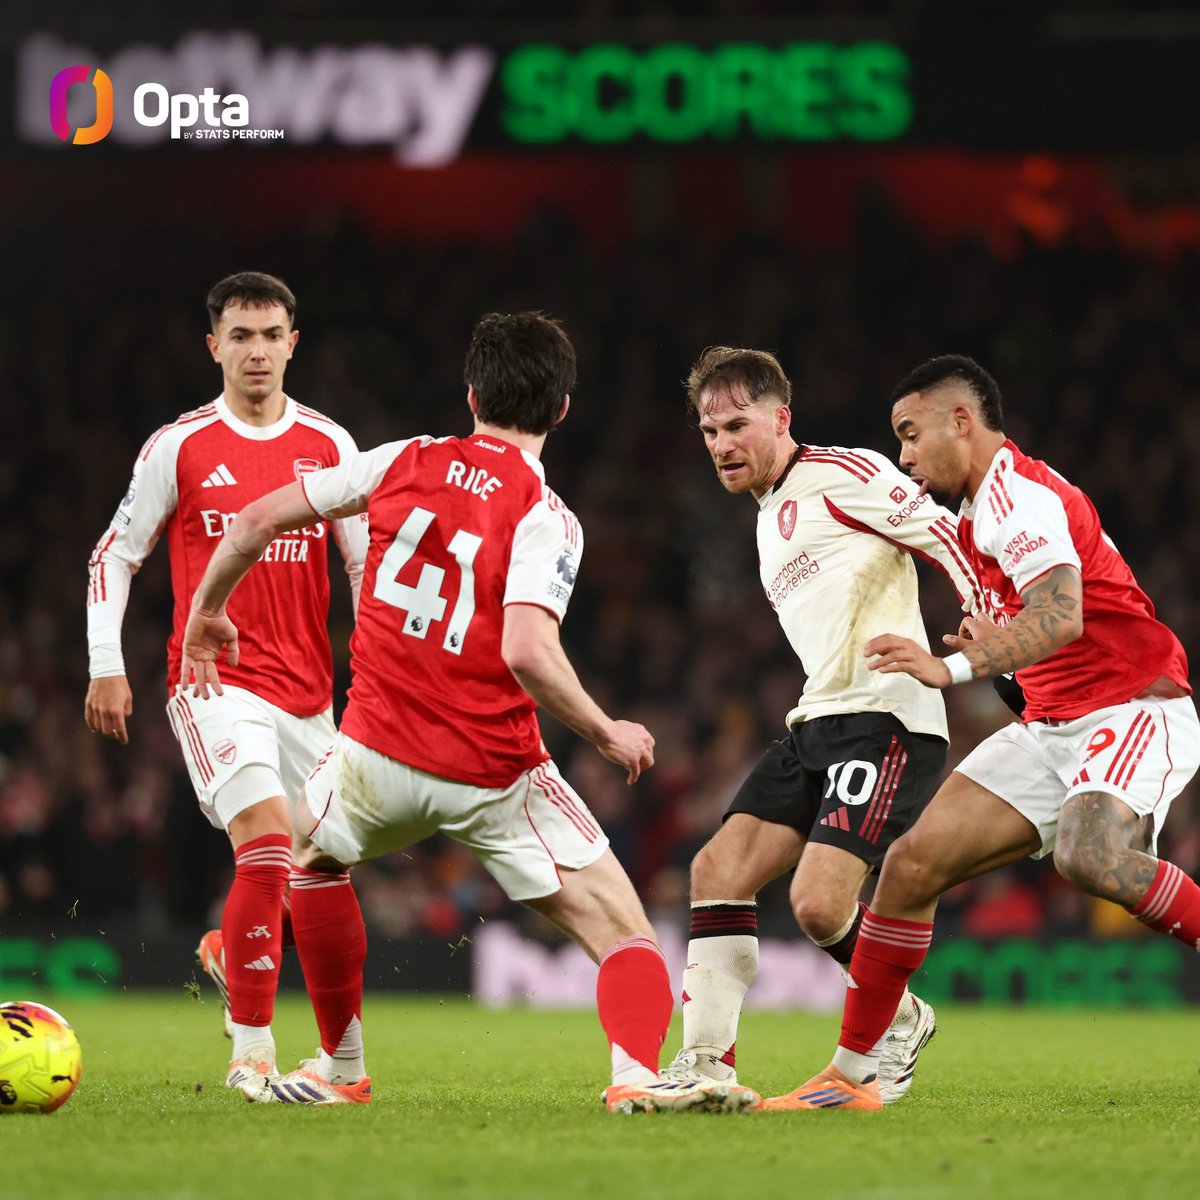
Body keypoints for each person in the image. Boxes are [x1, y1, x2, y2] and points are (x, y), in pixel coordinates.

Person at [178, 311, 757, 1114]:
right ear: (562, 410)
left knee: (310, 862)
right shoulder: (546, 514)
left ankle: (341, 1068)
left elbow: (253, 521)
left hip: (373, 755)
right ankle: (634, 1076)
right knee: (626, 933)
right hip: (494, 772)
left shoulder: (400, 459)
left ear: (473, 394)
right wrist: (605, 729)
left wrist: (208, 611)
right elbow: (527, 650)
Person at [777, 354, 1200, 1110]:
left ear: (961, 422)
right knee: (910, 867)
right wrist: (998, 654)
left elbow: (1061, 615)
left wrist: (953, 667)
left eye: (911, 434)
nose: (904, 456)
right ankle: (855, 1072)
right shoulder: (976, 519)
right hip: (1052, 726)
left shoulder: (1017, 498)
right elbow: (1041, 645)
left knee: (1090, 856)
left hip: (1133, 705)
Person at [660, 347, 986, 1106]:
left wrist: (989, 627)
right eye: (709, 431)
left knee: (817, 905)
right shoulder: (767, 517)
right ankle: (703, 1064)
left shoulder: (843, 471)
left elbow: (947, 536)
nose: (720, 444)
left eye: (736, 425)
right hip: (819, 718)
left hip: (888, 718)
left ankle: (895, 1019)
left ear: (782, 418)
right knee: (716, 872)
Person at [85, 272, 368, 1100]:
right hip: (214, 683)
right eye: (240, 335)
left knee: (323, 872)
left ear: (293, 344)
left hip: (310, 698)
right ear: (214, 347)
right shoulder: (178, 446)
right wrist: (106, 662)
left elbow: (365, 564)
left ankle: (243, 956)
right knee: (268, 838)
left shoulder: (330, 444)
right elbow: (115, 554)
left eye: (271, 334)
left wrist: (378, 676)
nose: (256, 350)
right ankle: (252, 1053)